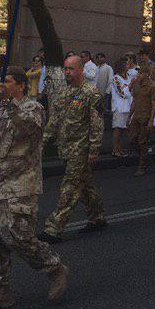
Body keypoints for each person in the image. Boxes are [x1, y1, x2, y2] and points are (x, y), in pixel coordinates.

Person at [0, 66, 67, 309]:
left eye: (8, 81)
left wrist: (8, 103)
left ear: (21, 85)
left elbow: (27, 127)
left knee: (17, 237)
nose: (1, 85)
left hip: (20, 184)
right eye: (0, 81)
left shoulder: (33, 108)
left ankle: (54, 267)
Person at [39, 56, 106, 243]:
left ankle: (54, 228)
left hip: (81, 150)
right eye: (65, 69)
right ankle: (97, 216)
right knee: (85, 185)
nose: (67, 72)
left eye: (71, 69)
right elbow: (53, 123)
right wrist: (41, 145)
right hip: (66, 148)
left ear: (81, 70)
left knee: (70, 187)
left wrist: (94, 149)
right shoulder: (63, 94)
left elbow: (97, 124)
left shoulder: (92, 94)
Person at [128, 62, 155, 177]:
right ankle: (145, 159)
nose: (138, 75)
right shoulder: (136, 85)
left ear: (146, 74)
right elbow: (134, 101)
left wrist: (151, 120)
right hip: (136, 116)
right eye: (138, 73)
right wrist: (129, 116)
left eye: (140, 73)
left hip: (146, 116)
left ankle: (142, 166)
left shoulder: (152, 86)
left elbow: (154, 104)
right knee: (132, 140)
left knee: (142, 141)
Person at [110, 59, 133, 158]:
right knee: (118, 128)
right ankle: (115, 150)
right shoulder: (116, 78)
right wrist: (130, 86)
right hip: (119, 107)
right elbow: (122, 93)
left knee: (123, 129)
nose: (129, 65)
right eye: (127, 64)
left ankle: (120, 148)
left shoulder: (129, 76)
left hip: (128, 106)